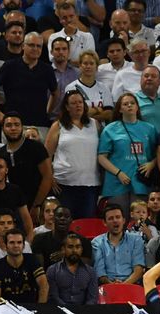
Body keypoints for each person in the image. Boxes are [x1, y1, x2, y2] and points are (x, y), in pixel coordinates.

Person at [45, 89, 101, 219]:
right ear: (66, 106)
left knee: (86, 223)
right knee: (65, 223)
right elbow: (46, 154)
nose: (78, 105)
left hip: (90, 184)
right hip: (64, 184)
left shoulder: (94, 124)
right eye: (74, 103)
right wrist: (50, 177)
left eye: (80, 102)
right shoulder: (58, 125)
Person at [0, 112, 53, 221]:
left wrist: (36, 205)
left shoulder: (36, 148)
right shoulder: (0, 154)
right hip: (14, 206)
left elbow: (47, 176)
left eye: (17, 125)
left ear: (22, 127)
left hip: (38, 204)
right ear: (3, 128)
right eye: (9, 125)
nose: (13, 128)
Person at [0, 228, 48, 303]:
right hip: (7, 310)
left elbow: (44, 286)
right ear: (6, 245)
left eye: (19, 242)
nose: (16, 245)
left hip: (33, 308)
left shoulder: (33, 260)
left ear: (23, 245)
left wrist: (41, 308)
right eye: (12, 242)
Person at [92, 203, 145, 286]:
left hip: (131, 285)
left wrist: (123, 286)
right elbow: (100, 272)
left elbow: (138, 270)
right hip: (106, 286)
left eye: (118, 217)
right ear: (104, 223)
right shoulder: (97, 242)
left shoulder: (136, 239)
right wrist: (113, 285)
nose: (115, 221)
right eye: (110, 218)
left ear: (123, 220)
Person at [0, 208, 34, 282]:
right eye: (2, 223)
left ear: (14, 226)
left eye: (9, 223)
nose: (6, 226)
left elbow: (29, 272)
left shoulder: (24, 245)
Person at [47, 233, 98, 306]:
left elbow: (92, 298)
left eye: (78, 247)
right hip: (60, 312)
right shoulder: (52, 270)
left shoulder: (91, 272)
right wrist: (68, 311)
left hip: (84, 313)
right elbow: (54, 297)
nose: (74, 250)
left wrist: (84, 311)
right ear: (63, 249)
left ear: (81, 250)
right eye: (70, 247)